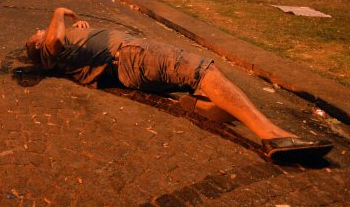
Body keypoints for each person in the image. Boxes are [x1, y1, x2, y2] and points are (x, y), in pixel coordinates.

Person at [25, 8, 334, 161]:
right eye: (35, 34)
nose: (40, 29)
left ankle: (195, 105)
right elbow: (53, 41)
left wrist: (81, 28)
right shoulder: (52, 50)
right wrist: (58, 12)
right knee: (203, 70)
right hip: (132, 56)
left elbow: (64, 42)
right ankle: (272, 137)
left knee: (215, 96)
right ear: (38, 47)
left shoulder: (64, 49)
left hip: (128, 64)